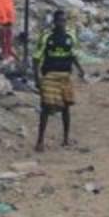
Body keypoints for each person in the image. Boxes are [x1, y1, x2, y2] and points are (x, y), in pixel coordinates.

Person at [33, 10, 86, 152]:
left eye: (63, 21)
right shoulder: (46, 37)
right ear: (54, 22)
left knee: (66, 107)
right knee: (45, 108)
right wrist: (37, 78)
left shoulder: (70, 36)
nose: (61, 23)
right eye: (59, 21)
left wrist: (81, 70)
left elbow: (73, 54)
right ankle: (40, 141)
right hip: (50, 74)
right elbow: (36, 58)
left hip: (65, 75)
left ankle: (66, 139)